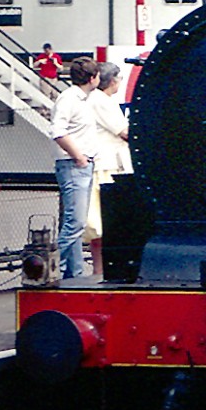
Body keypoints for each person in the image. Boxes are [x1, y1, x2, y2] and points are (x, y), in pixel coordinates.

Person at [49, 56, 100, 279]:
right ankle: (53, 268)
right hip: (74, 164)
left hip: (81, 163)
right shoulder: (69, 99)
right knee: (75, 221)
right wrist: (78, 156)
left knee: (76, 223)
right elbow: (58, 131)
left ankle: (74, 274)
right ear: (92, 78)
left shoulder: (82, 99)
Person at [84, 61, 131, 275]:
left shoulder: (99, 100)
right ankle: (101, 270)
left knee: (102, 224)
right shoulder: (102, 102)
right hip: (107, 166)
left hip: (108, 163)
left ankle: (101, 268)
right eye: (119, 78)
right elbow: (124, 132)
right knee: (103, 222)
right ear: (112, 80)